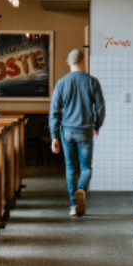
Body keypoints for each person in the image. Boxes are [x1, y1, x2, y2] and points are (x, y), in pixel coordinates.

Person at [49, 48, 106, 216]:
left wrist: (54, 136)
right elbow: (101, 108)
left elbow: (54, 112)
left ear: (68, 62)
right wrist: (97, 125)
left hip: (66, 132)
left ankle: (74, 204)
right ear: (83, 62)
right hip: (85, 131)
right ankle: (81, 190)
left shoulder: (61, 83)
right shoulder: (92, 82)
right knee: (86, 167)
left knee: (70, 167)